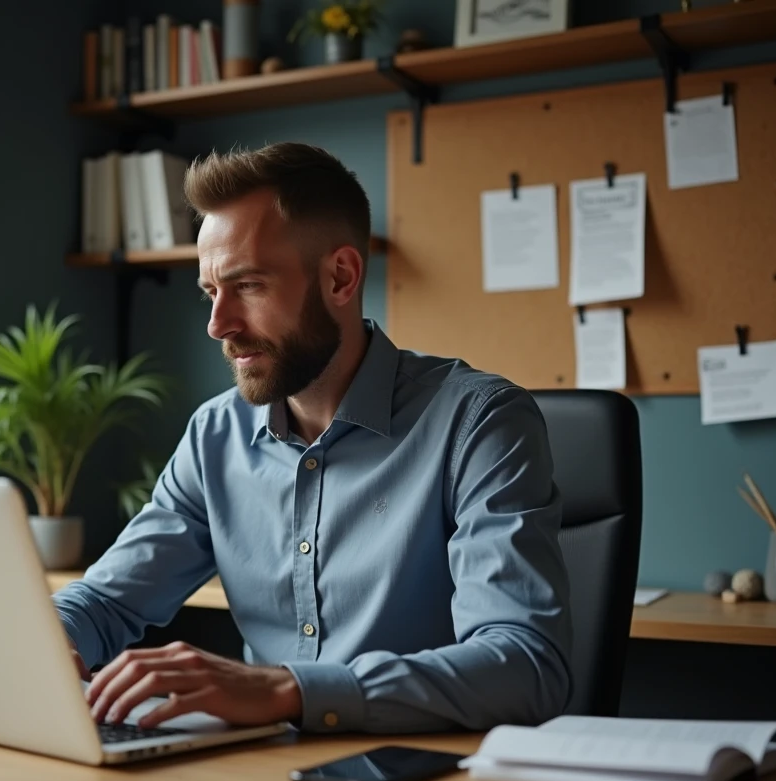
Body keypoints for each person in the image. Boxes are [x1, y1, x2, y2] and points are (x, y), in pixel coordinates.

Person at [53, 142, 572, 735]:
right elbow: (106, 599)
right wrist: (48, 638)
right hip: (258, 767)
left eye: (248, 285)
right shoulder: (215, 436)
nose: (218, 325)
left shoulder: (479, 422)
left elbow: (526, 666)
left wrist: (288, 690)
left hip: (425, 768)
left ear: (340, 277)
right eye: (210, 292)